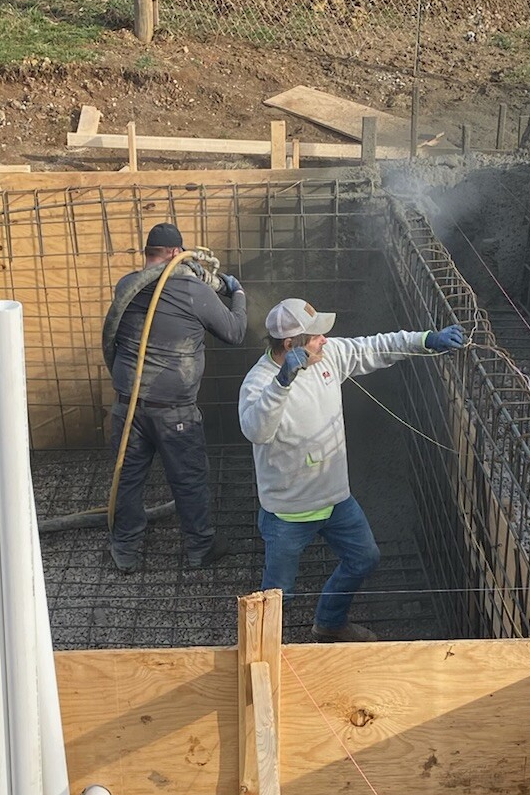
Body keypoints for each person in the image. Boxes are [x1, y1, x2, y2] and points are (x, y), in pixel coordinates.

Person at [239, 298, 467, 642]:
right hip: (287, 514)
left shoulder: (327, 357)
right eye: (316, 336)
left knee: (364, 558)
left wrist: (426, 340)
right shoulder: (259, 382)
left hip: (335, 500)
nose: (325, 340)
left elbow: (373, 347)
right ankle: (263, 649)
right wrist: (281, 384)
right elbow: (256, 431)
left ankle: (330, 624)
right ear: (290, 344)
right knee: (278, 593)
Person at [101, 222, 248, 572]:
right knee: (189, 479)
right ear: (176, 253)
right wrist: (238, 293)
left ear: (148, 253)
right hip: (174, 412)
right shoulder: (194, 292)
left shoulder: (126, 286)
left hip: (128, 405)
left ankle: (125, 550)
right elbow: (235, 332)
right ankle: (201, 547)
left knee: (127, 478)